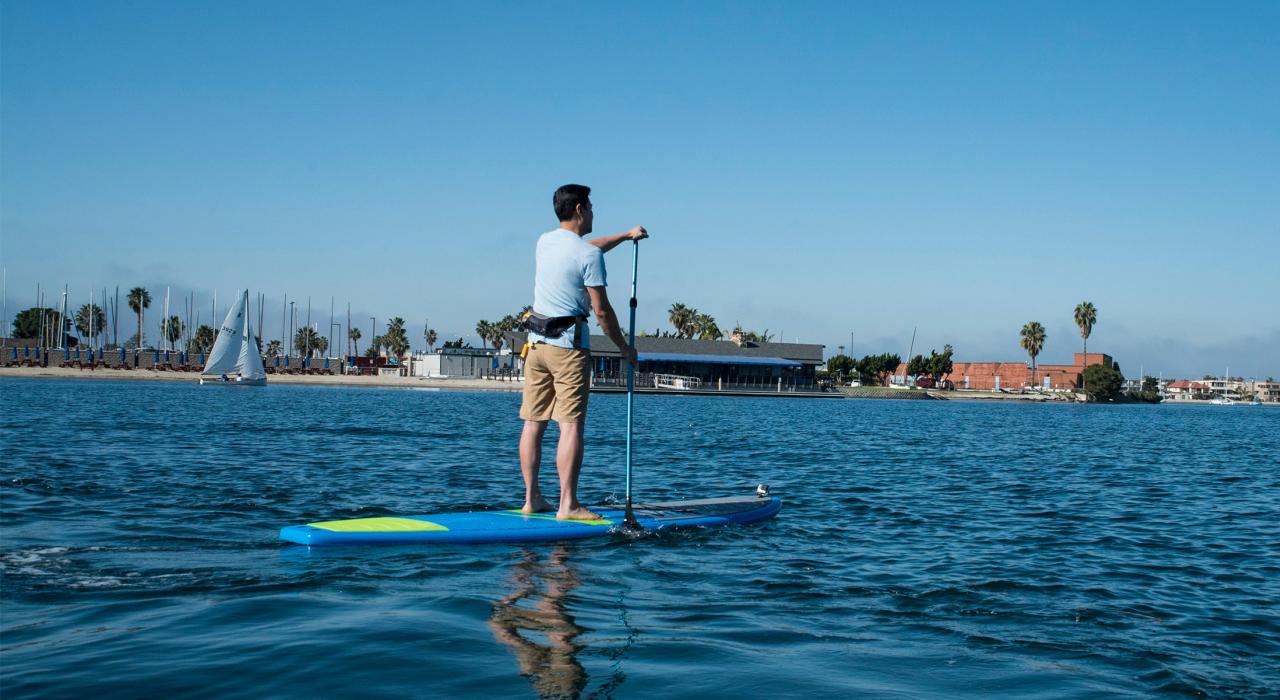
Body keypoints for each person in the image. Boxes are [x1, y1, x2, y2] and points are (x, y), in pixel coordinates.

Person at [519, 184, 646, 520]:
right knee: (570, 426)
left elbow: (587, 248)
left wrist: (625, 235)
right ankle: (568, 504)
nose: (593, 212)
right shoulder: (587, 256)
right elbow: (602, 311)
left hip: (535, 346)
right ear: (579, 209)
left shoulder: (544, 242)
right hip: (568, 349)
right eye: (590, 206)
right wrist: (624, 349)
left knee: (533, 424)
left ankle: (532, 499)